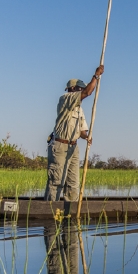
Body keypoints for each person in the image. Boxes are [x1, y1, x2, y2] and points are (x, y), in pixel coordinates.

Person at [44, 64, 104, 201]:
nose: (81, 91)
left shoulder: (79, 109)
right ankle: (50, 208)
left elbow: (81, 131)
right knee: (56, 180)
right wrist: (96, 76)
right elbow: (88, 92)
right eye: (80, 89)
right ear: (73, 89)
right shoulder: (65, 98)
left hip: (73, 147)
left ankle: (70, 207)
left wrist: (87, 137)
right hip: (60, 146)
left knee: (73, 183)